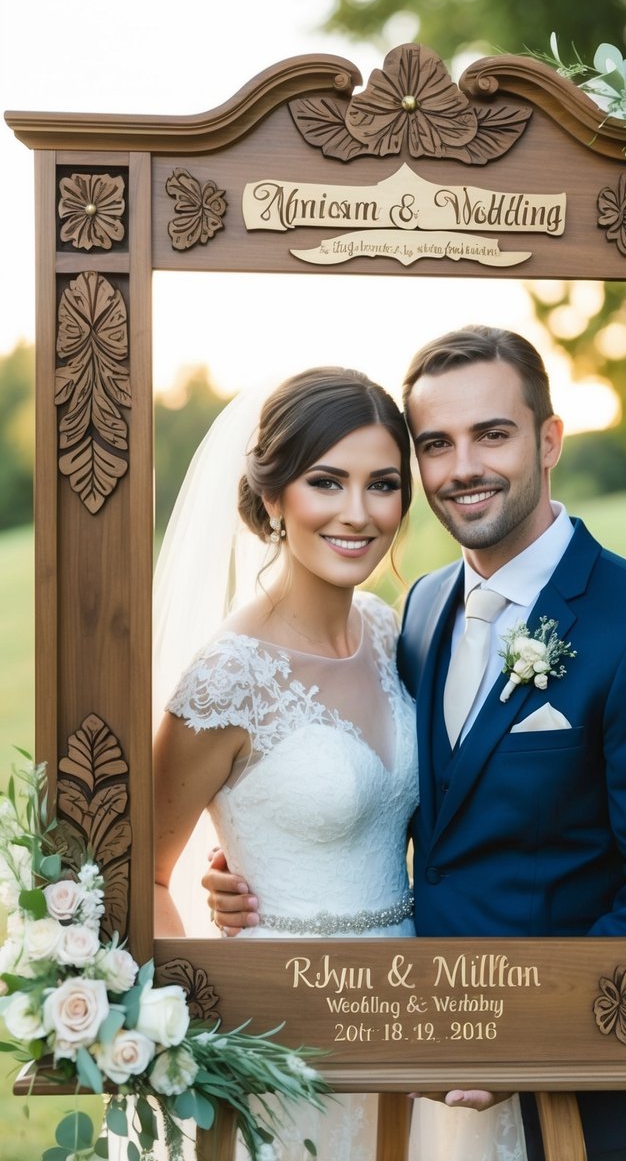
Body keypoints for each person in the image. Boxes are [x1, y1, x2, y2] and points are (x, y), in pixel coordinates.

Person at [208, 327, 626, 1159]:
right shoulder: (419, 611)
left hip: (577, 1080)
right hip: (414, 1060)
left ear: (548, 440)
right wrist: (256, 860)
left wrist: (534, 1034)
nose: (462, 466)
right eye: (435, 443)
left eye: (492, 434)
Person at [153, 366, 422, 1158]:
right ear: (272, 498)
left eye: (382, 485)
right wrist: (209, 1033)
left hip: (417, 1015)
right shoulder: (227, 675)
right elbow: (147, 875)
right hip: (282, 1039)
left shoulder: (387, 629)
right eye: (325, 482)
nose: (358, 513)